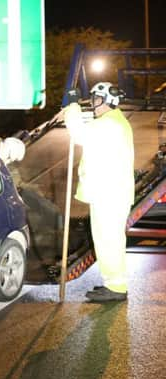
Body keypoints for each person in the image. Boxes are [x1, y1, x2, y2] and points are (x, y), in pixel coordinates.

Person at [62, 82, 135, 302]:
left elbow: (79, 133)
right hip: (110, 193)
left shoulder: (109, 124)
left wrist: (73, 106)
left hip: (109, 194)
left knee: (109, 240)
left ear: (107, 101)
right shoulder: (113, 122)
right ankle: (113, 283)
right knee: (107, 240)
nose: (93, 104)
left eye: (96, 99)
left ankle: (116, 287)